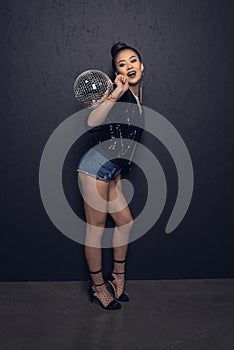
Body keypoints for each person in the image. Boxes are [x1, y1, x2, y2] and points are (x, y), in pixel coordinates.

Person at [77, 42, 144, 310]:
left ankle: (117, 278)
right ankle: (97, 288)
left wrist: (118, 173)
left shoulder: (139, 96)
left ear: (141, 65)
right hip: (95, 168)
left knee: (125, 223)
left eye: (132, 61)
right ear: (117, 72)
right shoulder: (118, 94)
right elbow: (92, 122)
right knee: (95, 230)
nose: (128, 66)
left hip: (112, 171)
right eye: (121, 64)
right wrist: (116, 92)